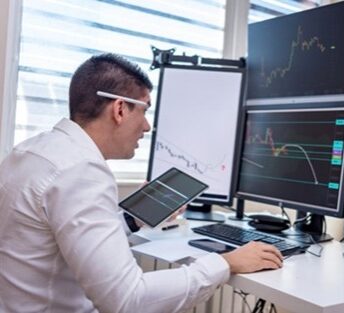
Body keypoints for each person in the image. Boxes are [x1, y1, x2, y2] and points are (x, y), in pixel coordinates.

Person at [0, 53, 283, 313]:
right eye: (145, 110)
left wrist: (132, 219)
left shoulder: (29, 152)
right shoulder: (82, 171)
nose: (147, 127)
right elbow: (127, 300)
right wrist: (225, 263)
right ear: (120, 109)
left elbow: (62, 239)